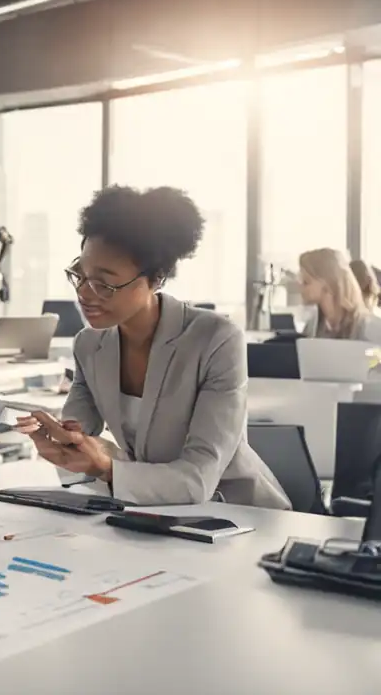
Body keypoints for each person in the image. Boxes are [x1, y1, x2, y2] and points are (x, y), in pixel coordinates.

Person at [15, 186, 290, 509]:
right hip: (151, 512)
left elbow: (198, 477)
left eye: (104, 284)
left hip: (236, 512)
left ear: (156, 279)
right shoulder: (90, 345)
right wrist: (60, 444)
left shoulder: (216, 339)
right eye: (80, 275)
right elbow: (78, 437)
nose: (85, 294)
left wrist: (105, 467)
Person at [298, 248, 381, 342]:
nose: (300, 287)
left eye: (306, 282)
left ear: (328, 284)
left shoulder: (370, 330)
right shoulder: (312, 326)